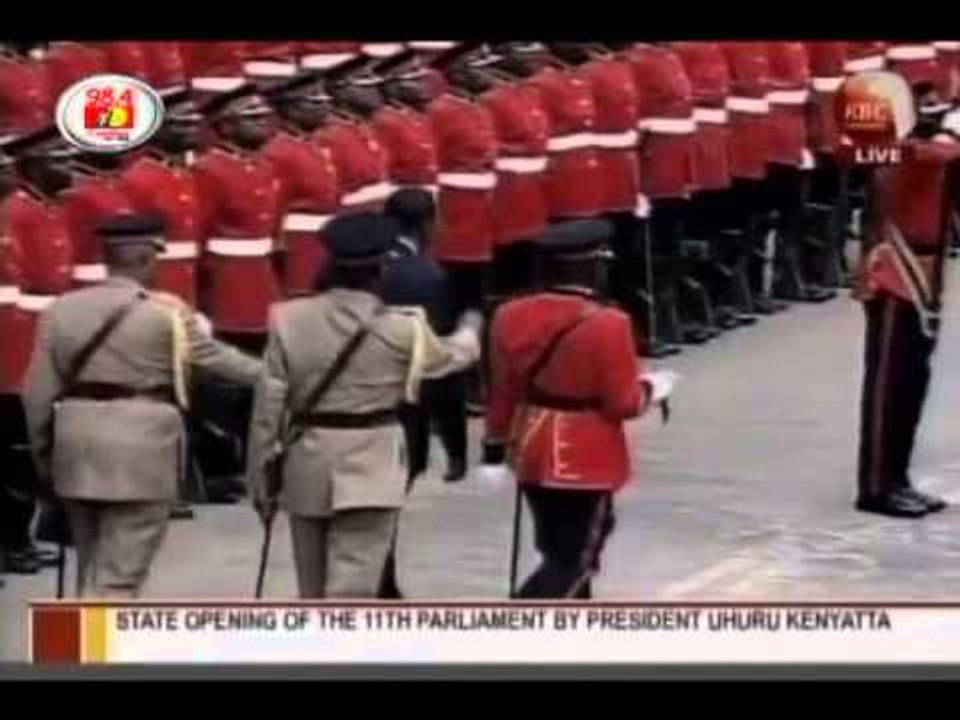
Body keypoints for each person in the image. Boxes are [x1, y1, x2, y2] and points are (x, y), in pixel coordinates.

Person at [21, 214, 261, 597]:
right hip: (142, 448)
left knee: (92, 562)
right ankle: (100, 655)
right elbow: (217, 359)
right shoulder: (165, 312)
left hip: (76, 446)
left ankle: (79, 647)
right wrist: (279, 376)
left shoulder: (62, 310)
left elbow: (36, 394)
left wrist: (45, 455)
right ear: (147, 260)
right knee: (120, 575)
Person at [246, 212, 483, 599]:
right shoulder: (403, 327)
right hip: (371, 465)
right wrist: (470, 332)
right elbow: (447, 360)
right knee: (352, 590)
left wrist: (260, 477)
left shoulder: (288, 319)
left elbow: (266, 408)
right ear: (380, 269)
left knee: (313, 588)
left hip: (309, 461)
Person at [482, 219, 654, 599]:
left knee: (555, 548)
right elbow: (622, 403)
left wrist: (493, 450)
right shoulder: (610, 323)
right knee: (575, 560)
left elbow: (502, 390)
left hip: (528, 446)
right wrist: (652, 390)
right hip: (584, 456)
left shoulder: (509, 314)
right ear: (592, 265)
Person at [855, 75, 960, 519]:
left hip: (925, 270)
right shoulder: (898, 151)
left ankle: (898, 477)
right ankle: (877, 485)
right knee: (888, 387)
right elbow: (940, 153)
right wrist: (950, 129)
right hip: (897, 275)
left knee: (912, 384)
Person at [1, 127, 77, 575]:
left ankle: (20, 538)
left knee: (29, 450)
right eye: (58, 159)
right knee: (14, 452)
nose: (68, 166)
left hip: (38, 338)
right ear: (33, 167)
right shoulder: (16, 214)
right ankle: (12, 541)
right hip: (15, 347)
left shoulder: (45, 209)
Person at [261, 71, 341, 297]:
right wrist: (279, 248)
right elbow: (274, 209)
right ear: (291, 109)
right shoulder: (278, 151)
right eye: (315, 101)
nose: (326, 105)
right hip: (299, 244)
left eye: (326, 99)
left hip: (325, 238)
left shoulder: (314, 143)